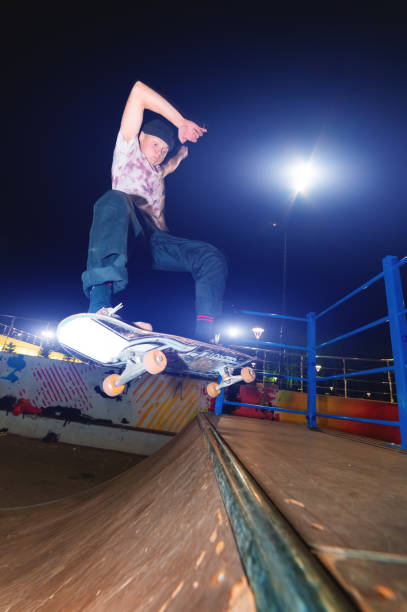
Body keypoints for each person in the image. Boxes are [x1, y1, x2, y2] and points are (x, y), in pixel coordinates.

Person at [81, 81, 228, 342]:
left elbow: (174, 161)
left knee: (210, 256)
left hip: (158, 243)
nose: (159, 152)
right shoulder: (128, 150)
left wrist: (181, 149)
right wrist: (180, 121)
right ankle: (99, 308)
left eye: (163, 149)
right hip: (128, 231)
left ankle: (205, 336)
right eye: (155, 144)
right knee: (113, 200)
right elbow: (138, 92)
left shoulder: (160, 170)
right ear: (141, 137)